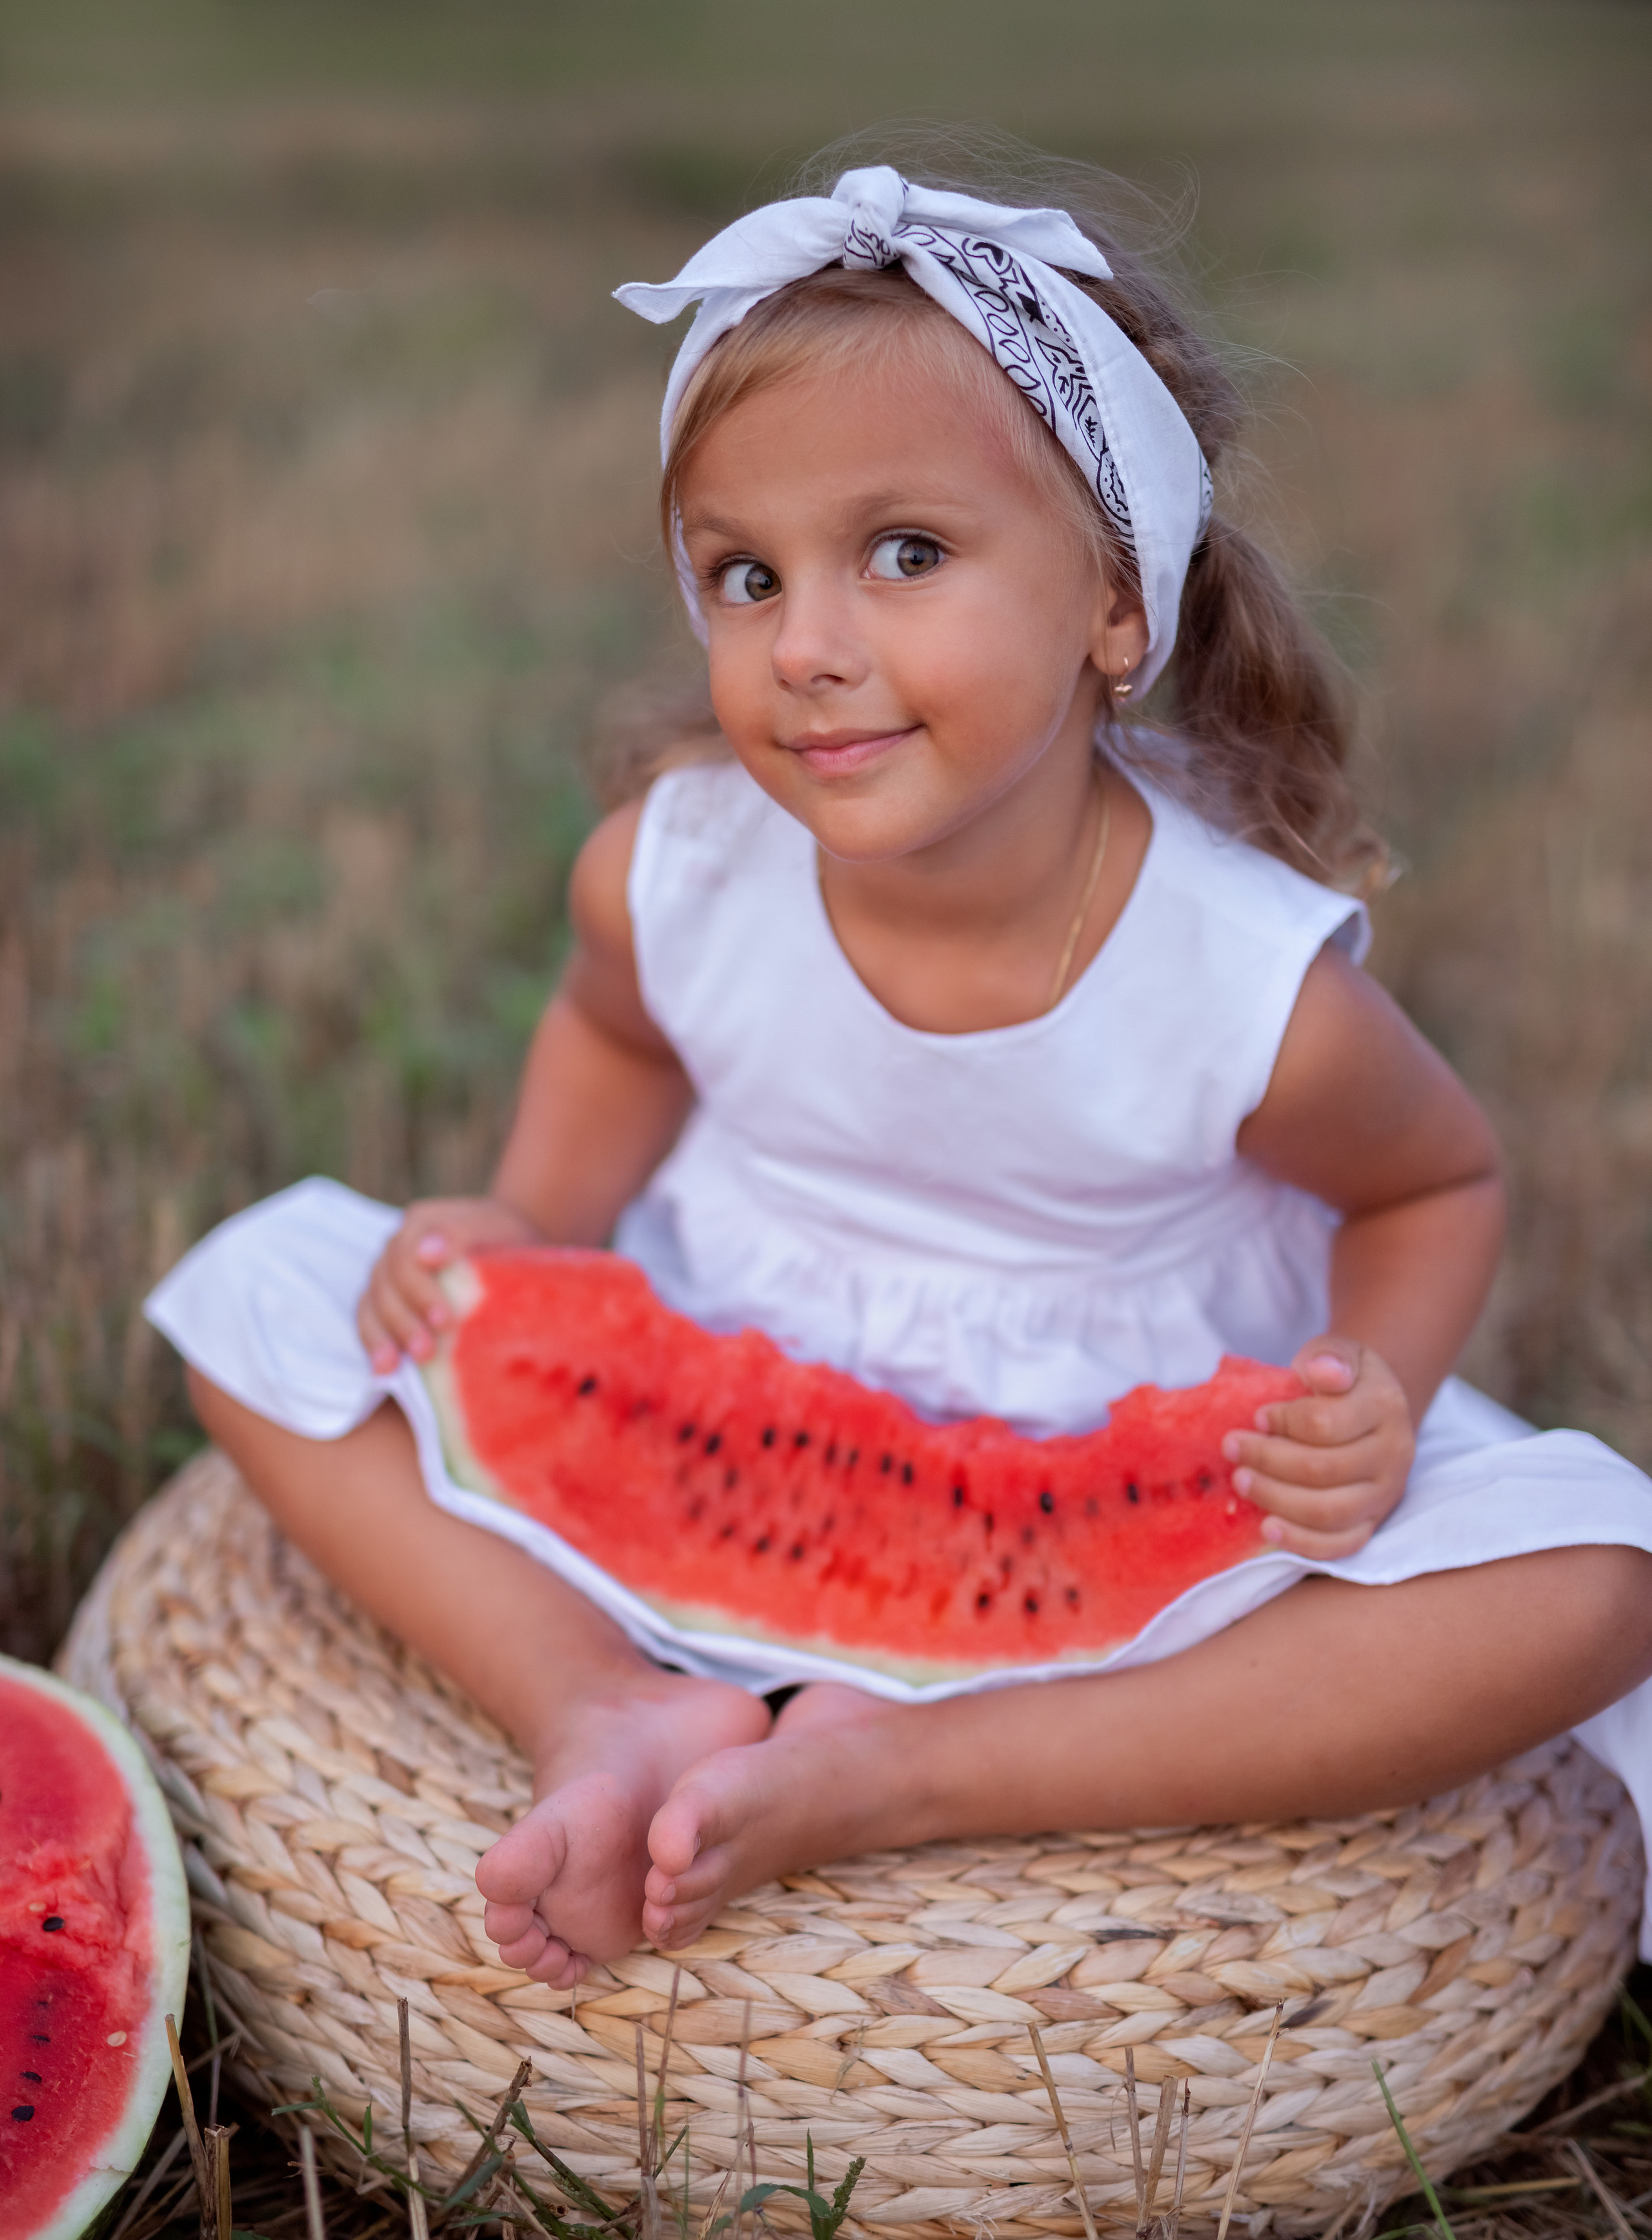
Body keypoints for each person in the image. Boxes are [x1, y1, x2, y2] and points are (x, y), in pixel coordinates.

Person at [151, 157, 1652, 1996]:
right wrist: (530, 1228)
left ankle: (915, 1771)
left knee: (1597, 1586)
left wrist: (1380, 1391)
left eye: (908, 555)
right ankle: (606, 1702)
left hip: (1131, 1449)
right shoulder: (676, 869)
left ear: (1117, 601)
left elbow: (1434, 1185)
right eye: (743, 573)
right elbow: (618, 1031)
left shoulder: (1237, 981)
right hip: (729, 1363)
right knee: (264, 1299)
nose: (807, 646)